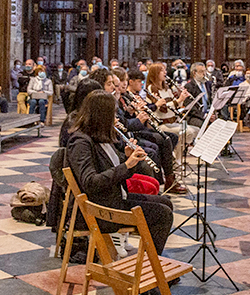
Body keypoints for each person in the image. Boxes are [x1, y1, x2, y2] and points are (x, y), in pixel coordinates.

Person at [65, 90, 175, 283]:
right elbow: (91, 183)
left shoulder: (100, 139)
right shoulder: (81, 142)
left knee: (166, 203)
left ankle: (151, 269)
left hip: (112, 199)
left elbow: (113, 175)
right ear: (101, 116)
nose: (116, 119)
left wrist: (125, 158)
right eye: (113, 114)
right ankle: (150, 278)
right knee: (162, 214)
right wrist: (127, 165)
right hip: (99, 209)